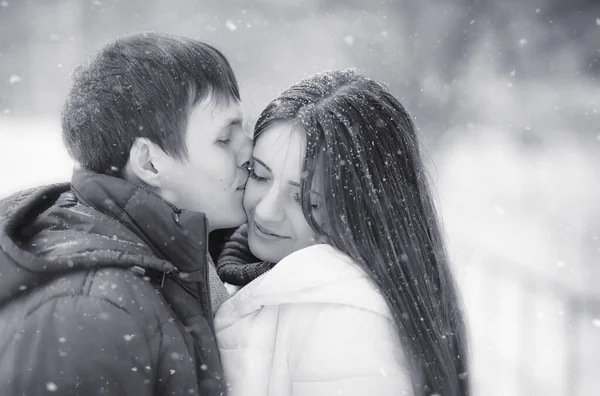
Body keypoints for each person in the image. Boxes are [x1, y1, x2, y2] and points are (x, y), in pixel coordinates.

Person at [0, 32, 251, 395]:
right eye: (224, 139)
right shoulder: (92, 310)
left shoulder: (167, 262)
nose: (249, 151)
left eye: (243, 127)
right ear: (150, 162)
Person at [215, 69, 470, 396]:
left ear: (364, 212)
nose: (265, 210)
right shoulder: (256, 276)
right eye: (260, 175)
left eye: (304, 199)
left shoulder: (344, 321)